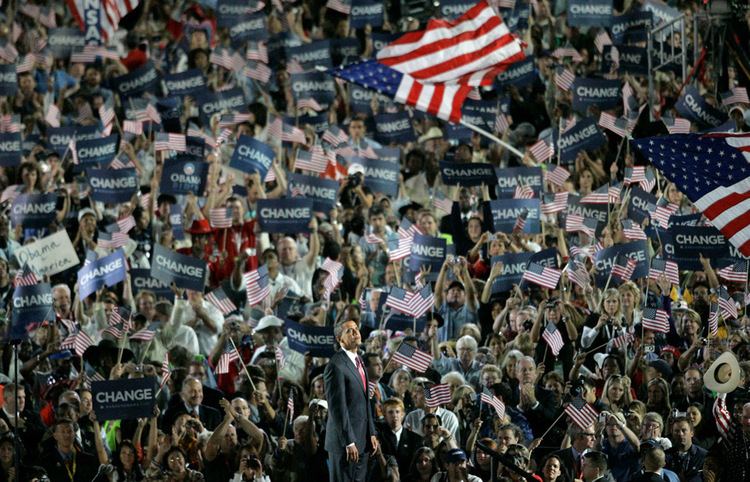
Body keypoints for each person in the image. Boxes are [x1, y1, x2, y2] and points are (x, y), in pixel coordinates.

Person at [324, 320, 378, 482]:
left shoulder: (359, 360)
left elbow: (364, 401)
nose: (355, 333)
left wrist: (372, 432)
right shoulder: (336, 365)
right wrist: (349, 442)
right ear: (340, 339)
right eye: (349, 331)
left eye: (356, 328)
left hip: (363, 440)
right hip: (345, 445)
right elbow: (337, 408)